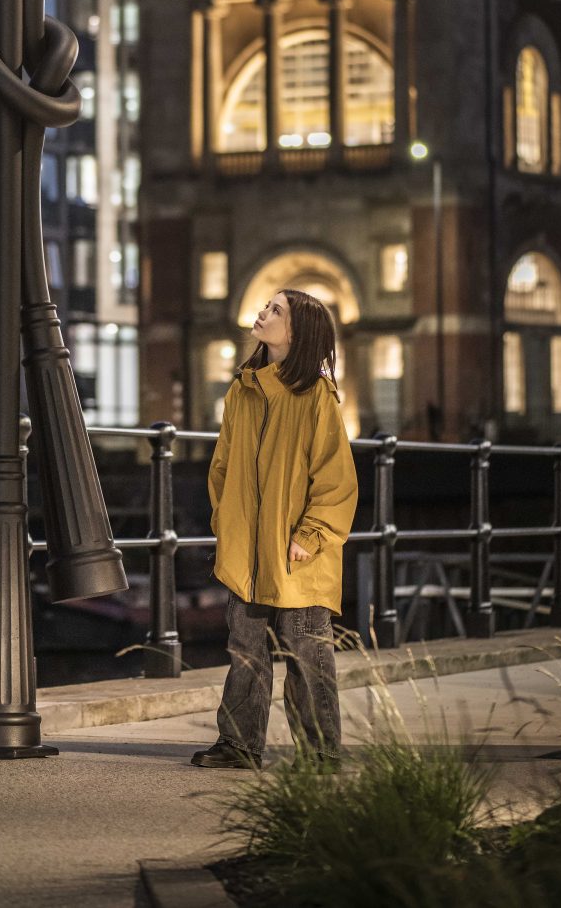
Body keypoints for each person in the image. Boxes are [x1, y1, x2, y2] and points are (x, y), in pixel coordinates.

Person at [191, 288, 358, 770]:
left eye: (276, 310)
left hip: (297, 553)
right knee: (246, 649)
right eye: (267, 306)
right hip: (246, 549)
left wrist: (310, 536)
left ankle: (321, 753)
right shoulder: (243, 389)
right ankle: (239, 745)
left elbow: (336, 479)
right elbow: (221, 467)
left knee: (308, 656)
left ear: (296, 332)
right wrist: (227, 521)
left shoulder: (316, 396)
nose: (263, 313)